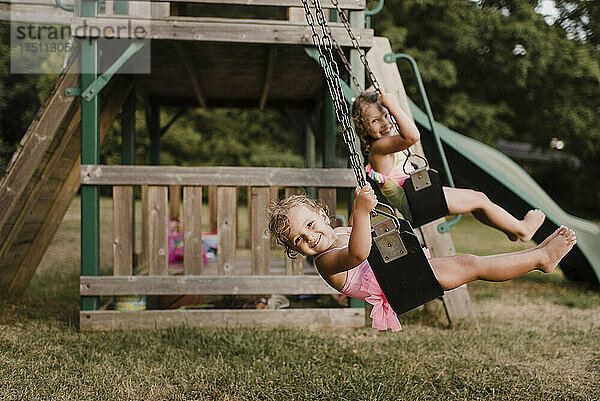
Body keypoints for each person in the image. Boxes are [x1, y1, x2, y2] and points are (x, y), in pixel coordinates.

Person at [266, 186, 577, 331]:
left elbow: (360, 236)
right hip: (400, 282)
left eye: (309, 225)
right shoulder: (324, 263)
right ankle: (540, 258)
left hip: (404, 269)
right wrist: (361, 211)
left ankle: (536, 252)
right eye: (299, 240)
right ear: (297, 250)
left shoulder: (337, 231)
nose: (309, 237)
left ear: (322, 214)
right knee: (472, 265)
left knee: (470, 263)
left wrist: (362, 209)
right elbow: (359, 252)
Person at [352, 89, 545, 242]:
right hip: (419, 202)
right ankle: (523, 229)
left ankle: (509, 229)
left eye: (386, 115)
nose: (385, 123)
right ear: (363, 127)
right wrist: (392, 106)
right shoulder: (378, 148)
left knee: (478, 204)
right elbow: (412, 136)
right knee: (479, 199)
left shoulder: (379, 147)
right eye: (375, 121)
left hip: (418, 200)